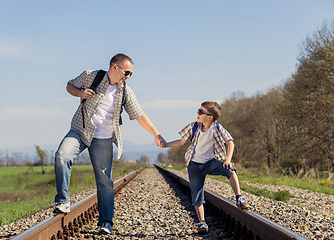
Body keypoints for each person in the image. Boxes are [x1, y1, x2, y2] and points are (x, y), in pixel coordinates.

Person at [53, 53, 166, 235]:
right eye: (127, 72)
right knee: (61, 155)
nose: (128, 77)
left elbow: (140, 115)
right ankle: (62, 201)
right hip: (80, 130)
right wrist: (80, 93)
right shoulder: (91, 76)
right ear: (115, 68)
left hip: (103, 139)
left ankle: (106, 223)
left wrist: (156, 133)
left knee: (105, 182)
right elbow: (69, 85)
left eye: (130, 74)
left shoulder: (125, 92)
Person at [164, 101, 250, 234]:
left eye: (201, 111)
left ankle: (239, 198)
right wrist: (166, 144)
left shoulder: (217, 128)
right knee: (197, 194)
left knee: (230, 170)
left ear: (209, 117)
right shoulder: (193, 127)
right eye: (198, 110)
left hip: (211, 162)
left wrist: (228, 160)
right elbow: (181, 142)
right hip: (194, 165)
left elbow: (230, 143)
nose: (197, 113)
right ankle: (202, 222)